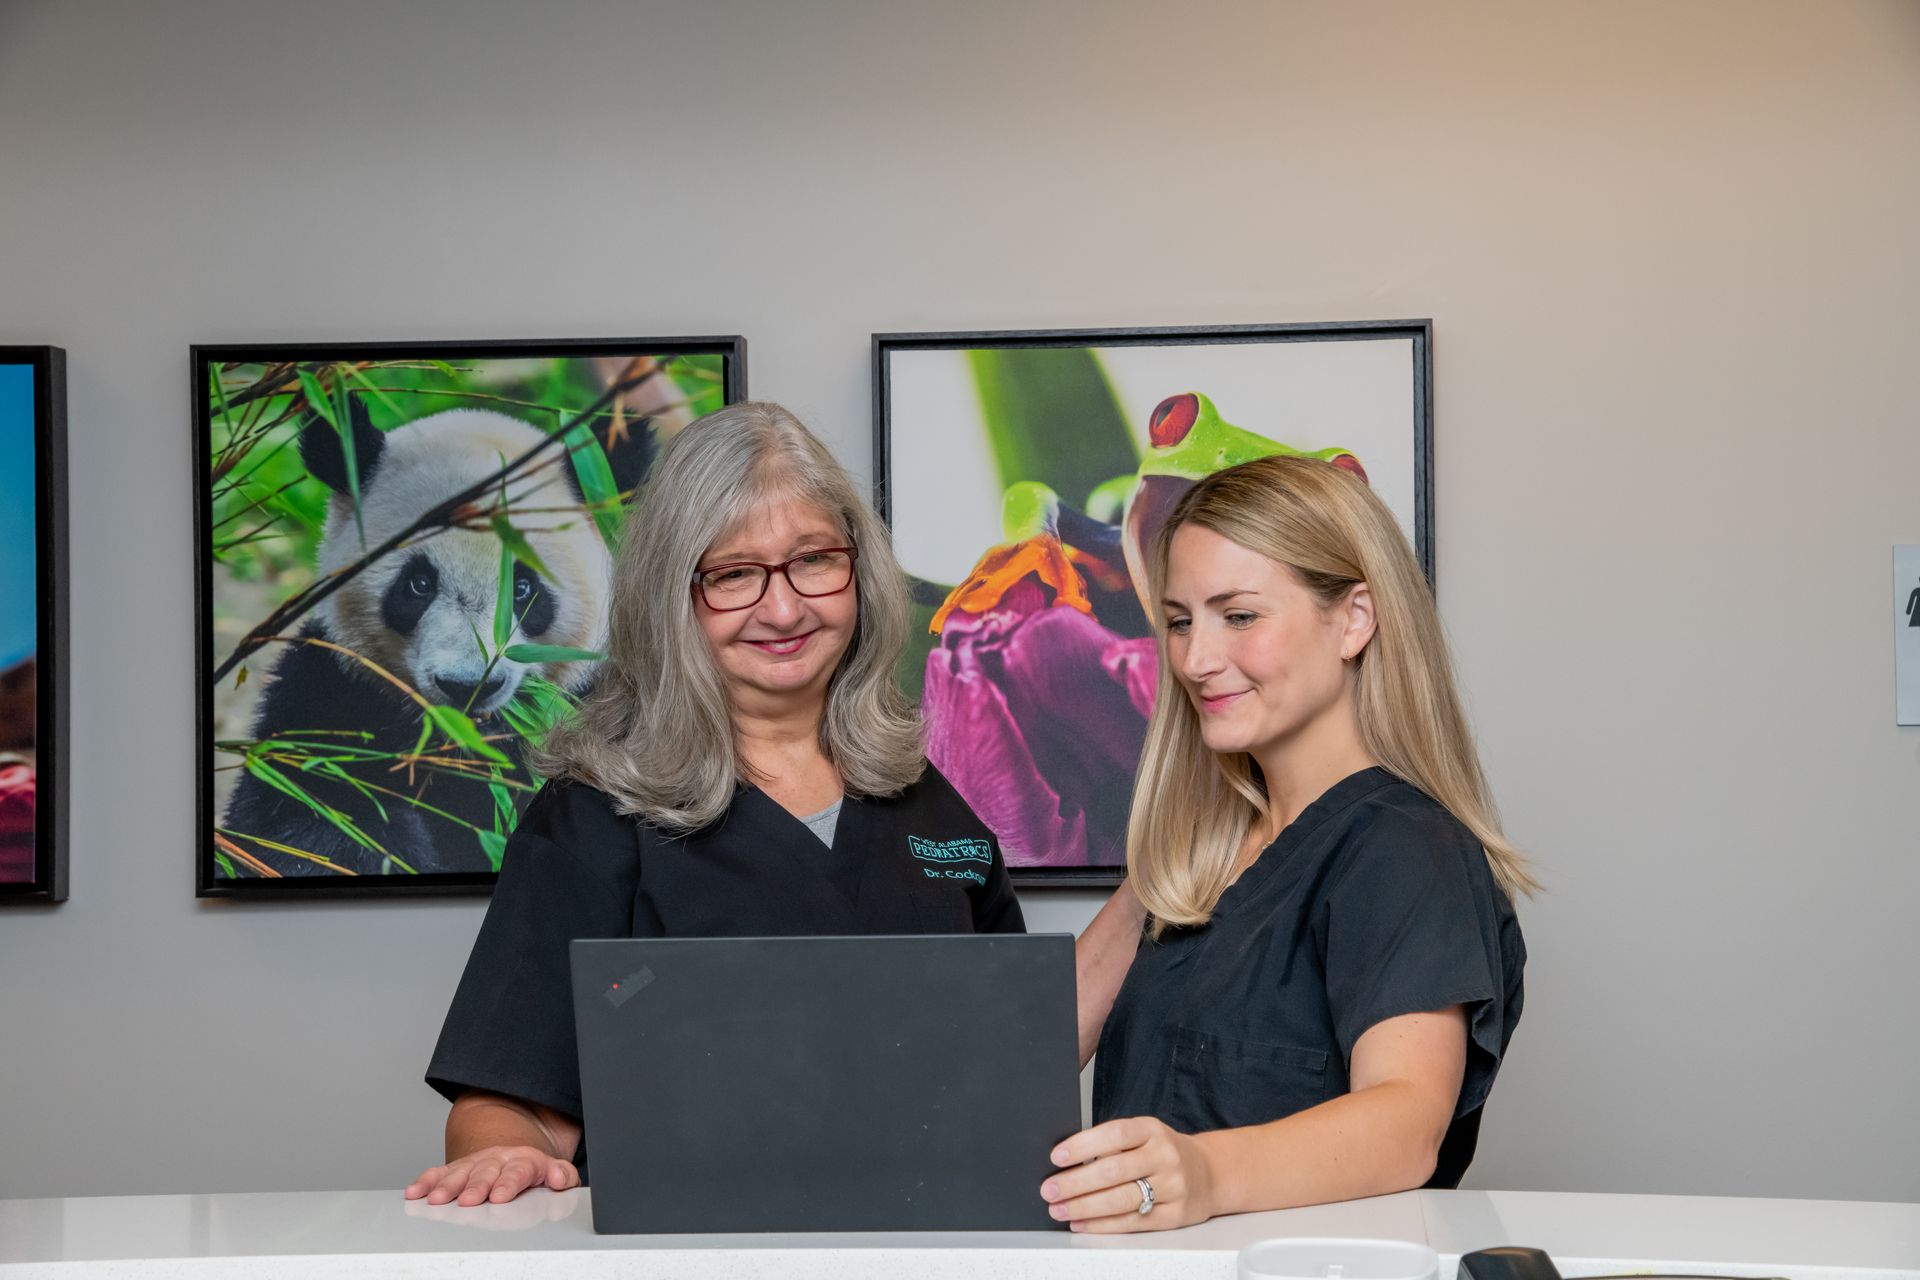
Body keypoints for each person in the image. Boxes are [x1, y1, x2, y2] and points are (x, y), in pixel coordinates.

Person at [407, 402, 1024, 1207]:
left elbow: (1015, 1060)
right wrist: (508, 1158)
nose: (783, 608)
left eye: (813, 560)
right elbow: (510, 1101)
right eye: (733, 575)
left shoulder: (932, 809)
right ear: (674, 596)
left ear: (860, 573)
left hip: (928, 1245)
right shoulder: (594, 816)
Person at [1048, 454, 1533, 1233]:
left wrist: (1202, 1173)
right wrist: (1174, 851)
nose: (1196, 660)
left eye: (1239, 616)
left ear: (1354, 619)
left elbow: (1406, 1126)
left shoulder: (1405, 848)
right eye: (1179, 621)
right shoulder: (1204, 857)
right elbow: (1016, 1062)